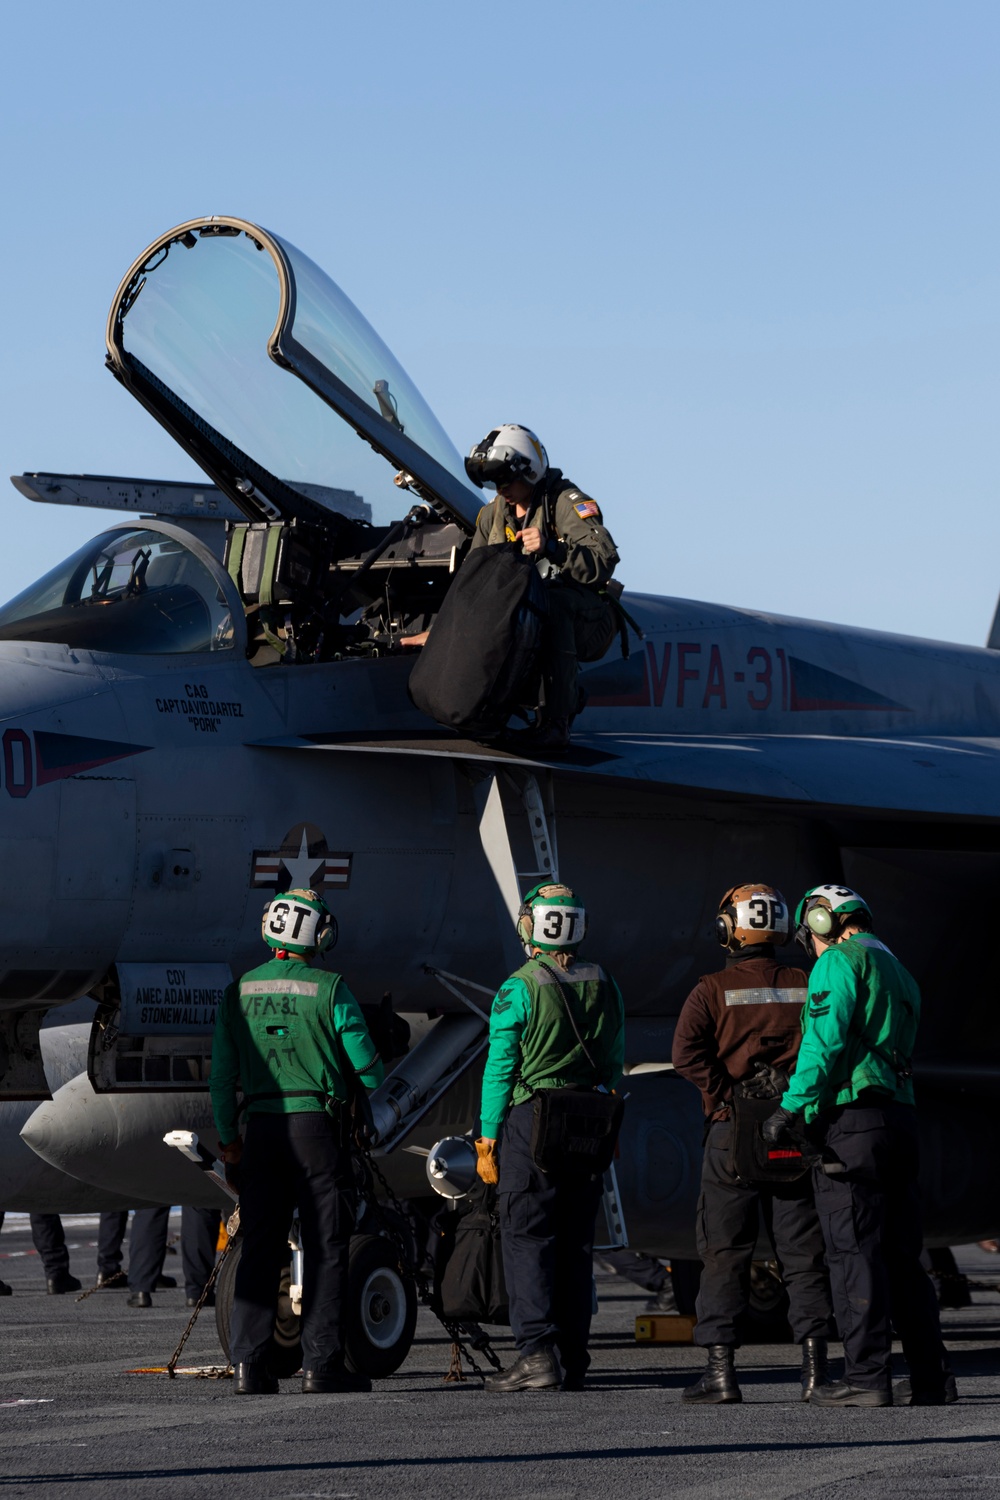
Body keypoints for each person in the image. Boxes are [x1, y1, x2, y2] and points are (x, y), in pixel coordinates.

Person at [763, 884, 953, 1407]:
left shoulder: (838, 963)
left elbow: (826, 1042)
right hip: (900, 1117)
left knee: (853, 1254)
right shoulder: (897, 966)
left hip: (851, 1123)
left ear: (823, 923)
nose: (812, 945)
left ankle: (866, 1377)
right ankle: (932, 1378)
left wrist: (792, 1107)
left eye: (811, 934)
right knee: (903, 1257)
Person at [211, 888, 384, 1396]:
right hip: (316, 1132)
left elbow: (221, 1081)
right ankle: (321, 1365)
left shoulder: (237, 991)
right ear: (319, 933)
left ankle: (249, 1365)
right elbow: (370, 1073)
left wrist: (229, 1144)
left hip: (261, 1131)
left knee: (259, 1247)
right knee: (326, 1247)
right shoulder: (330, 988)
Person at [672, 883, 832, 1404]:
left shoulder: (711, 988)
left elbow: (685, 1055)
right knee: (804, 1254)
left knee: (723, 1252)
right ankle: (815, 1374)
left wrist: (726, 1099)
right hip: (793, 1128)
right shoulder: (807, 983)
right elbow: (824, 1044)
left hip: (731, 1136)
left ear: (728, 929)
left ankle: (721, 1375)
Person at [476, 881, 625, 1392]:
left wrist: (488, 1137)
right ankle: (572, 1357)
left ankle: (536, 1353)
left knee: (528, 1237)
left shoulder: (519, 986)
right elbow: (613, 1058)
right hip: (588, 1121)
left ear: (528, 927)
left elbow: (500, 1067)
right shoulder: (604, 980)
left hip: (530, 1123)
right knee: (575, 1244)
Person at [402, 424, 621, 751]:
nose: (500, 488)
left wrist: (552, 548)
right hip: (531, 611)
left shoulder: (564, 502)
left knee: (554, 603)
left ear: (530, 471)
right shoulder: (493, 515)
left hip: (588, 615)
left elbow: (604, 563)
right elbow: (472, 584)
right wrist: (440, 630)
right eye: (495, 481)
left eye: (506, 479)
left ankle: (557, 725)